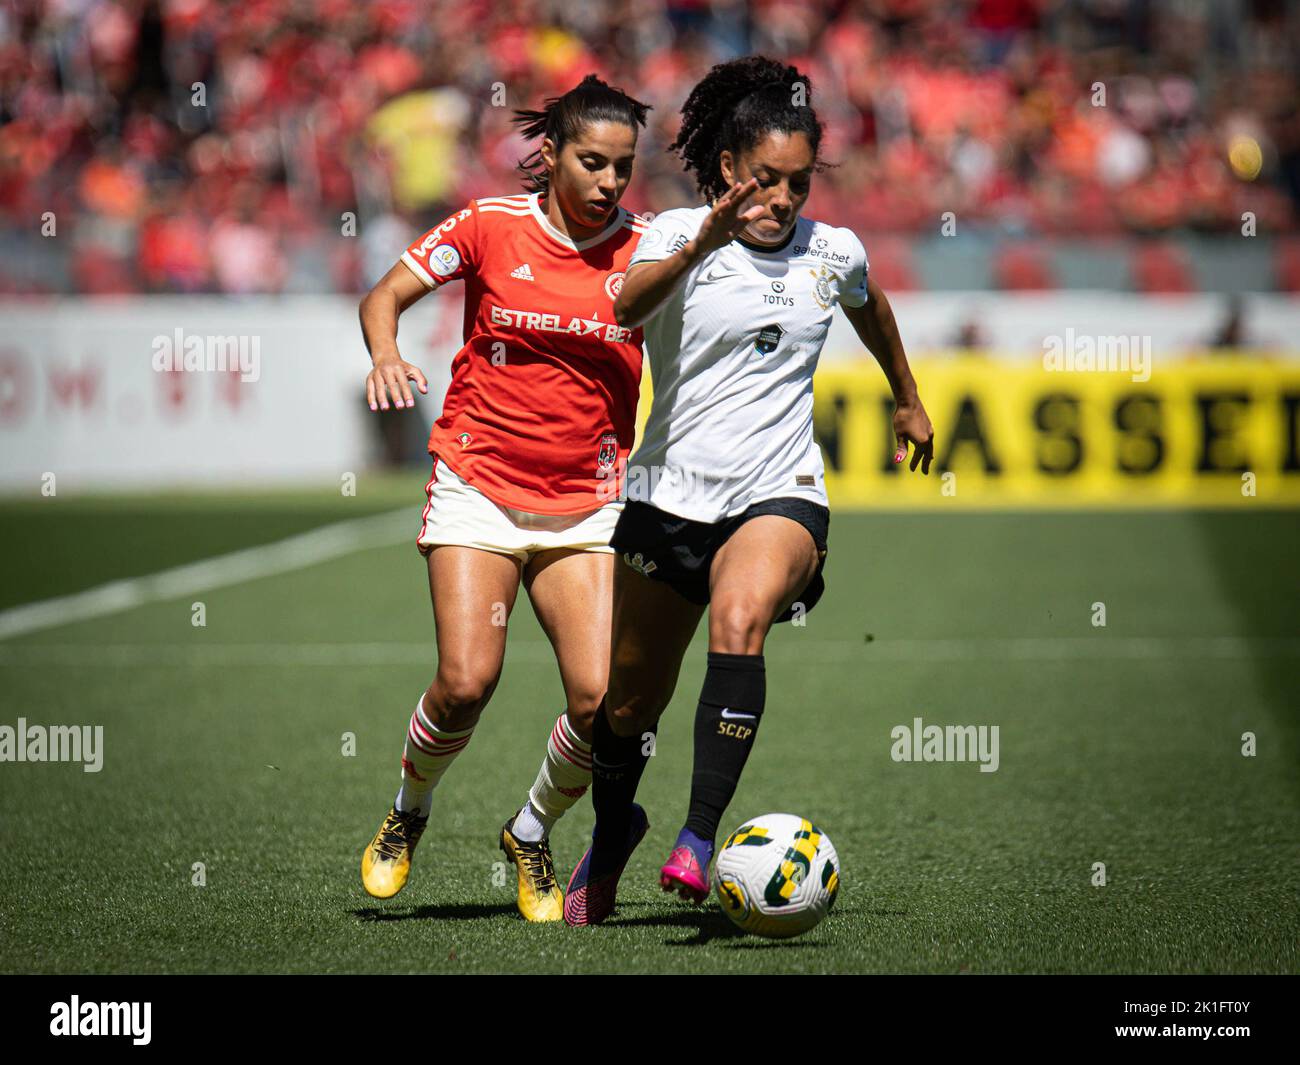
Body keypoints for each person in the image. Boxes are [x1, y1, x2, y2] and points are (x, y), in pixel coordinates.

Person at [562, 57, 935, 926]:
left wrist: (908, 397)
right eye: (766, 179)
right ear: (729, 169)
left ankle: (697, 837)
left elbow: (870, 306)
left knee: (740, 621)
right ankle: (613, 836)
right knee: (625, 703)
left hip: (782, 488)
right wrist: (706, 239)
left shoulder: (832, 250)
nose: (783, 198)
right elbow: (624, 308)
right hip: (669, 497)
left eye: (799, 183)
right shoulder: (671, 235)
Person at [357, 75, 651, 922]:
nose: (606, 181)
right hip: (479, 485)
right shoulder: (489, 226)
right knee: (465, 681)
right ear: (551, 154)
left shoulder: (646, 247)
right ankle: (408, 812)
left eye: (622, 168)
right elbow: (387, 295)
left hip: (588, 504)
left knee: (602, 703)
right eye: (591, 161)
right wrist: (384, 352)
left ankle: (530, 828)